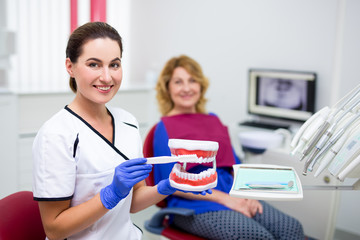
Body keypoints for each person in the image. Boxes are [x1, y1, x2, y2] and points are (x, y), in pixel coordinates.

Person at [32, 22, 210, 240]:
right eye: (94, 65)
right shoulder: (57, 134)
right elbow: (54, 229)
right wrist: (110, 194)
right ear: (70, 66)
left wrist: (168, 186)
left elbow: (133, 201)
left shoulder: (127, 122)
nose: (107, 77)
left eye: (114, 65)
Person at [145, 54, 305, 240]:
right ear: (167, 88)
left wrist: (248, 195)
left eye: (192, 81)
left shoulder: (213, 119)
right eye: (178, 82)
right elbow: (173, 184)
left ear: (201, 86)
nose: (187, 88)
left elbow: (236, 167)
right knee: (256, 237)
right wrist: (226, 199)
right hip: (194, 204)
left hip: (235, 194)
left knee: (291, 229)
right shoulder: (164, 127)